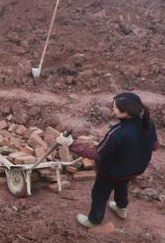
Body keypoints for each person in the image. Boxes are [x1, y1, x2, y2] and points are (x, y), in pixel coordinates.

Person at [56, 92, 159, 228]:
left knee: (99, 194)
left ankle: (94, 220)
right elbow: (155, 146)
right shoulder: (148, 123)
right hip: (134, 169)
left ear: (125, 113)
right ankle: (121, 209)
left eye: (114, 107)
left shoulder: (117, 133)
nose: (112, 109)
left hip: (111, 172)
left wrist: (71, 145)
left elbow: (96, 154)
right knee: (122, 186)